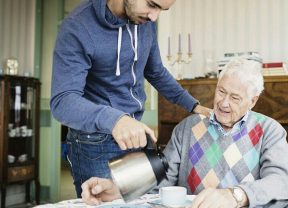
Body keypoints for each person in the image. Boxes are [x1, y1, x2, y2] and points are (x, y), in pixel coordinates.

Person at [80, 58, 288, 208]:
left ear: (253, 101)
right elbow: (163, 180)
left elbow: (281, 183)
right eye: (221, 91)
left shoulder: (270, 130)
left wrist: (234, 195)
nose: (223, 103)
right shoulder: (187, 128)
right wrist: (118, 189)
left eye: (235, 97)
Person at [50, 0, 211, 197]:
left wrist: (193, 105)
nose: (154, 17)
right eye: (152, 4)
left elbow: (156, 72)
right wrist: (116, 120)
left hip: (134, 134)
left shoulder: (143, 20)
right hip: (94, 142)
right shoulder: (78, 26)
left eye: (162, 9)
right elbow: (63, 101)